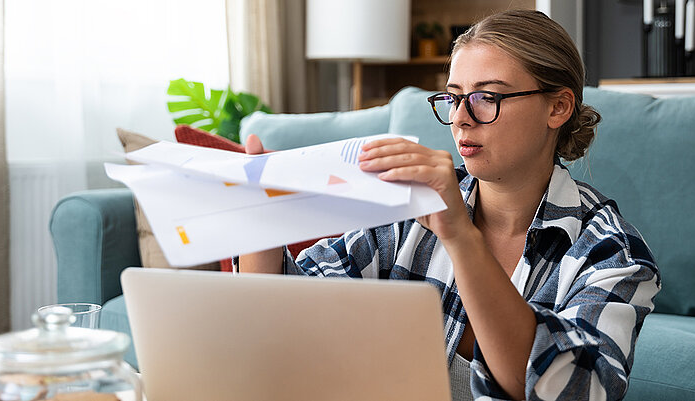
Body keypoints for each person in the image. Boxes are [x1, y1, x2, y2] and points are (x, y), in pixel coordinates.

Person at [239, 9, 660, 401]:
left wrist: (460, 235)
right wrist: (263, 213)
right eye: (454, 97)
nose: (461, 117)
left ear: (558, 107)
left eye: (487, 97)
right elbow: (288, 313)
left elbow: (568, 389)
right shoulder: (408, 209)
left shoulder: (612, 253)